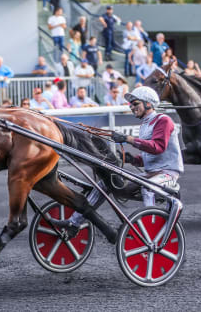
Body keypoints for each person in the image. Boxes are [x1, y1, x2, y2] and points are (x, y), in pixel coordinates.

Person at [49, 86, 183, 236]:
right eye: (131, 104)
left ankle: (150, 229)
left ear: (148, 104)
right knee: (106, 184)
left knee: (148, 188)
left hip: (168, 174)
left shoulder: (163, 121)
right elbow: (150, 157)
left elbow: (158, 147)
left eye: (135, 103)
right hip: (151, 174)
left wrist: (128, 139)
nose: (131, 107)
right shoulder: (145, 124)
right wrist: (132, 159)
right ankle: (73, 223)